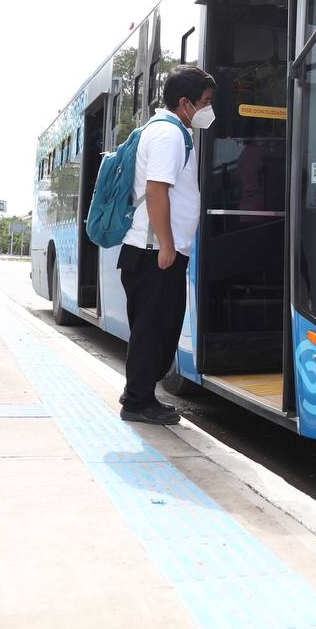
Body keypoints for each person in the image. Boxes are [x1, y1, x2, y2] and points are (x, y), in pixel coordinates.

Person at [118, 65, 215, 426]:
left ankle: (138, 394)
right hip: (153, 252)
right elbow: (157, 190)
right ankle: (138, 402)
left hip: (154, 250)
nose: (208, 109)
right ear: (185, 102)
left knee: (158, 327)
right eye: (205, 102)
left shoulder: (172, 132)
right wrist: (167, 246)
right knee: (154, 329)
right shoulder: (168, 135)